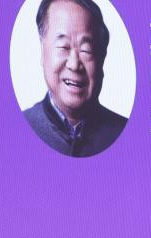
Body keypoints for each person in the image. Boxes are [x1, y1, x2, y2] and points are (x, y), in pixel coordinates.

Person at [23, 0, 127, 157]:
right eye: (63, 47)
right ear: (43, 50)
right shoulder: (17, 127)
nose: (74, 64)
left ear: (102, 58)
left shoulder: (127, 134)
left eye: (86, 50)